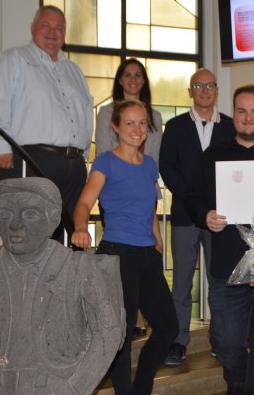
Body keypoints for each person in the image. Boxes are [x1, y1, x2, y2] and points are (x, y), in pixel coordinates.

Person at [0, 177, 125, 395]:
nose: (14, 225)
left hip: (57, 385)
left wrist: (75, 387)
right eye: (5, 214)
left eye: (30, 214)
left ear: (52, 220)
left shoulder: (79, 269)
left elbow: (108, 330)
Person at [184, 84, 254, 395]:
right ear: (233, 116)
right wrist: (205, 215)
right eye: (241, 111)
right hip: (227, 267)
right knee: (226, 342)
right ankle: (237, 383)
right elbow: (191, 196)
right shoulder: (213, 155)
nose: (248, 118)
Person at [71, 100, 178, 395]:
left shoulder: (150, 166)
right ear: (116, 127)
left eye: (142, 123)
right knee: (122, 331)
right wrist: (81, 228)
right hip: (117, 254)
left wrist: (158, 240)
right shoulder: (105, 161)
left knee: (168, 327)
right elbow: (83, 203)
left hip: (147, 254)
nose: (137, 129)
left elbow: (150, 208)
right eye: (129, 123)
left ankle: (141, 387)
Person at [0, 5, 94, 242]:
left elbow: (85, 110)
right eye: (46, 25)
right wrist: (0, 145)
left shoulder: (74, 71)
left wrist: (82, 153)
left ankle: (55, 280)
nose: (53, 32)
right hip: (29, 160)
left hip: (72, 165)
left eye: (59, 28)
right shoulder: (13, 60)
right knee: (30, 237)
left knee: (63, 239)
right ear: (33, 28)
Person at [159, 68, 235, 366]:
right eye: (198, 86)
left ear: (216, 91)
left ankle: (220, 339)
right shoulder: (175, 126)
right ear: (190, 91)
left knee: (220, 279)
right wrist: (192, 200)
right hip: (185, 215)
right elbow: (167, 166)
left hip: (221, 216)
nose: (204, 90)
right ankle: (178, 341)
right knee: (181, 281)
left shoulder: (230, 126)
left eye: (210, 85)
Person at [94, 58, 163, 338]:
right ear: (120, 80)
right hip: (115, 184)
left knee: (148, 253)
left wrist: (144, 175)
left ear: (143, 81)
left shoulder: (155, 117)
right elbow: (103, 147)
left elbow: (155, 156)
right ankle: (129, 316)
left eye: (138, 75)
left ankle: (139, 313)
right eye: (127, 75)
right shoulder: (106, 113)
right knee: (124, 254)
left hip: (146, 186)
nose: (133, 80)